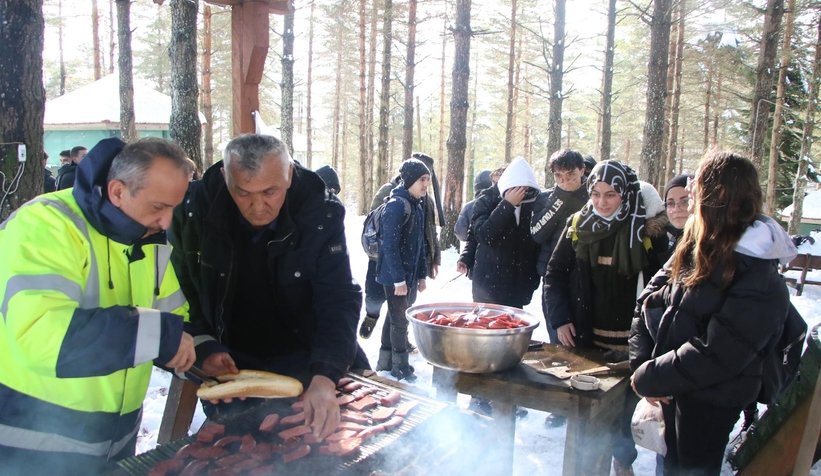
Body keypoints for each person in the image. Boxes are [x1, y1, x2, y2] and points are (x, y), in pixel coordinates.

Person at [0, 137, 196, 475]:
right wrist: (164, 335)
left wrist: (202, 352)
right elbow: (47, 337)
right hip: (32, 439)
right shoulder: (45, 225)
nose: (166, 222)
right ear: (118, 191)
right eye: (157, 207)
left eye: (173, 208)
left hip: (116, 440)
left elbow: (173, 319)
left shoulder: (148, 239)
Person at [168, 134, 366, 440]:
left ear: (288, 174)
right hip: (231, 365)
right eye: (243, 192)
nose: (258, 207)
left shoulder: (320, 212)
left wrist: (326, 374)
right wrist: (203, 345)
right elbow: (178, 294)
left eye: (270, 191)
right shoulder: (193, 211)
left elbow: (337, 296)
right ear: (225, 177)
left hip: (305, 355)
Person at [629, 152, 796, 475]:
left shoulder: (759, 272)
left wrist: (652, 375)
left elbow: (718, 353)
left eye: (697, 183)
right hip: (674, 390)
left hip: (710, 403)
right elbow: (651, 299)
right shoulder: (698, 242)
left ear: (717, 195)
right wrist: (645, 363)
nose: (689, 188)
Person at [543, 160, 667, 475]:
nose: (601, 202)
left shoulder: (646, 231)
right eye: (596, 194)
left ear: (625, 194)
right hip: (587, 342)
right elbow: (554, 276)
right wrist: (560, 319)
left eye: (610, 195)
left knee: (624, 412)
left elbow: (663, 287)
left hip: (632, 344)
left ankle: (622, 462)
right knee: (590, 410)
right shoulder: (577, 226)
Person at [359, 152, 443, 339]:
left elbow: (429, 230)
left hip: (412, 258)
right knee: (375, 295)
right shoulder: (390, 192)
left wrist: (434, 257)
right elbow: (376, 222)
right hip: (381, 256)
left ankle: (398, 340)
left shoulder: (425, 200)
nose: (426, 182)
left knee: (404, 304)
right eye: (422, 176)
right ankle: (372, 316)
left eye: (428, 177)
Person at [375, 158, 431, 382]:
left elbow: (420, 245)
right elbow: (389, 245)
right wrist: (399, 279)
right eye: (422, 180)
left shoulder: (416, 204)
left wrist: (421, 274)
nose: (426, 184)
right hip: (394, 275)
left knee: (394, 316)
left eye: (427, 179)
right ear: (409, 181)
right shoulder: (397, 205)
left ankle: (385, 362)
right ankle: (400, 367)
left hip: (407, 275)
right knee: (400, 320)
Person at [531, 150, 589, 345]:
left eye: (571, 174)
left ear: (582, 170)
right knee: (559, 339)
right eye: (559, 176)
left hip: (586, 276)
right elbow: (537, 234)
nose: (565, 180)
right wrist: (559, 200)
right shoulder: (546, 198)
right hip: (553, 278)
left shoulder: (594, 196)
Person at [468, 157, 541, 308]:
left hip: (518, 291)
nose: (522, 193)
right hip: (488, 289)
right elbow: (484, 235)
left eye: (526, 189)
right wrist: (507, 205)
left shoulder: (533, 204)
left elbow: (536, 244)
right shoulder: (486, 199)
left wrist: (531, 281)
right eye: (518, 188)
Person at [659, 174, 694, 264]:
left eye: (685, 201)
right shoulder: (663, 240)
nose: (676, 209)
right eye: (670, 203)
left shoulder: (707, 245)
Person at [454, 169, 492, 243]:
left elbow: (461, 233)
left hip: (472, 250)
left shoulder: (468, 207)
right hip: (495, 251)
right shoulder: (501, 205)